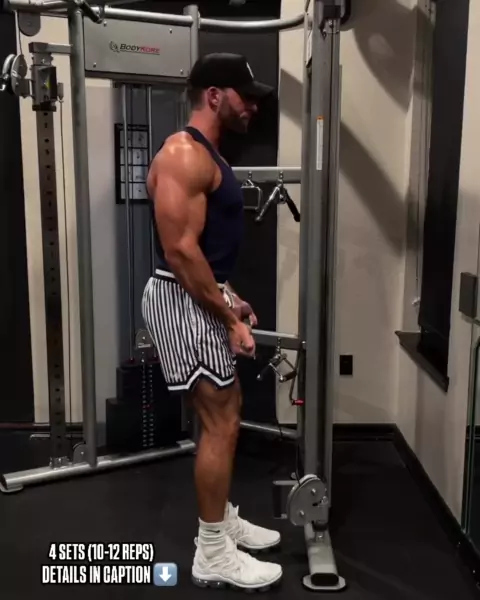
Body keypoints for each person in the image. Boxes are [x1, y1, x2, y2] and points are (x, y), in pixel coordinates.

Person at [141, 53, 283, 591]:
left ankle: (221, 522)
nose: (253, 107)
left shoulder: (209, 155)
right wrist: (227, 319)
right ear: (215, 95)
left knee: (224, 413)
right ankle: (212, 551)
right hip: (179, 299)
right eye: (246, 96)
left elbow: (205, 252)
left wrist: (231, 297)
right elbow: (180, 251)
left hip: (196, 295)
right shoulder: (183, 154)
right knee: (222, 420)